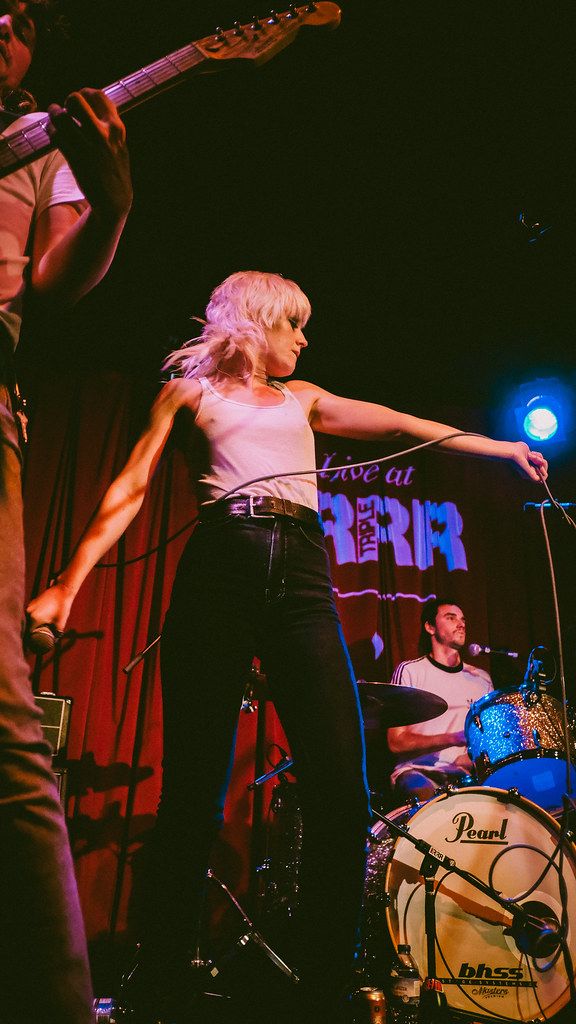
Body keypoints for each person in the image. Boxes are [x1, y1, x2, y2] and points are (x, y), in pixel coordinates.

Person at [27, 271, 547, 1022]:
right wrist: (69, 585)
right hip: (222, 563)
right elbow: (131, 488)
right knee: (193, 793)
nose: (304, 340)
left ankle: (323, 984)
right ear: (260, 320)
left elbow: (402, 423)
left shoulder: (302, 399)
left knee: (341, 789)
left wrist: (500, 447)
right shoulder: (189, 396)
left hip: (302, 571)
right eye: (295, 325)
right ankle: (161, 977)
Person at [1, 3, 132, 1022]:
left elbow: (55, 285)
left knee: (8, 725)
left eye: (23, 19)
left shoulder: (42, 148)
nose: (4, 26)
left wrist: (114, 200)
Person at [388, 599, 493, 805]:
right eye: (450, 618)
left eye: (463, 619)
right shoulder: (411, 671)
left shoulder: (481, 679)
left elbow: (486, 742)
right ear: (430, 627)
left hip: (465, 775)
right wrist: (453, 738)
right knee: (425, 796)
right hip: (418, 770)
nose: (461, 624)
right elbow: (396, 742)